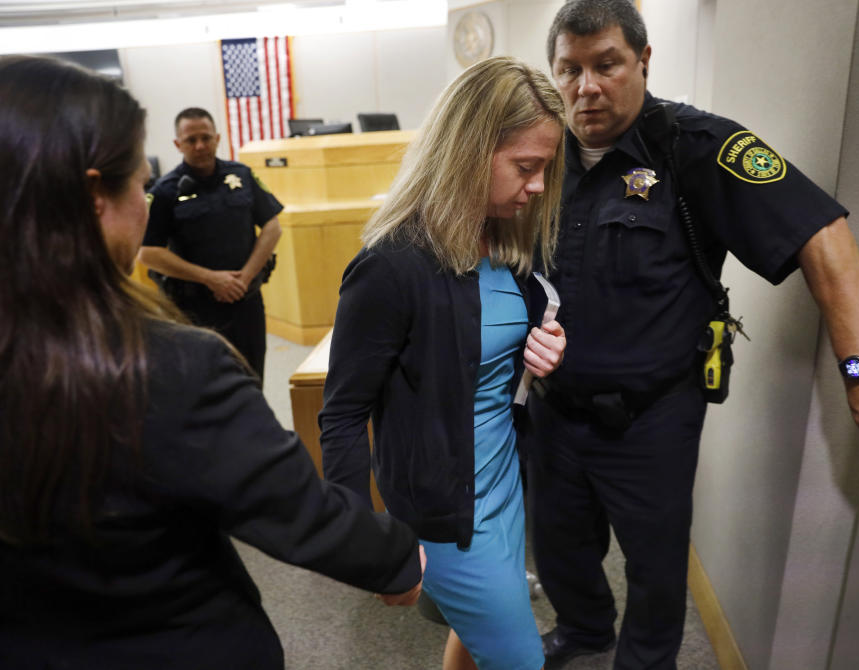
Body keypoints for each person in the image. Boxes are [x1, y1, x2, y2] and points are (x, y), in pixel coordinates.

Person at [0, 55, 424, 670]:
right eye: (137, 183)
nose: (146, 199)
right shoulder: (166, 370)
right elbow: (296, 510)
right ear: (97, 197)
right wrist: (398, 559)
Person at [527, 2, 859, 669]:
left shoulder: (695, 146)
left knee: (654, 566)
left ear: (643, 62)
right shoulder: (539, 155)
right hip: (553, 410)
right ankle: (586, 628)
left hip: (649, 420)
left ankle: (646, 661)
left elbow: (821, 233)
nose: (586, 87)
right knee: (558, 544)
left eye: (606, 65)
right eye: (569, 69)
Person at [319, 56, 567, 670]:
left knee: (474, 636)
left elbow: (490, 354)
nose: (537, 186)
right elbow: (343, 416)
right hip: (448, 513)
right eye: (526, 167)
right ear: (470, 150)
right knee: (519, 658)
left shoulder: (504, 239)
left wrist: (545, 350)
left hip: (505, 484)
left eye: (545, 169)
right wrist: (362, 546)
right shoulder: (391, 266)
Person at [138, 107, 280, 386]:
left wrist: (246, 277)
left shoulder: (242, 176)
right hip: (193, 308)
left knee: (252, 377)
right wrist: (211, 279)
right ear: (178, 144)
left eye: (206, 137)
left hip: (245, 302)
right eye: (191, 140)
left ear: (217, 138)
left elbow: (272, 227)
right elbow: (148, 253)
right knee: (203, 384)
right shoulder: (165, 191)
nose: (200, 145)